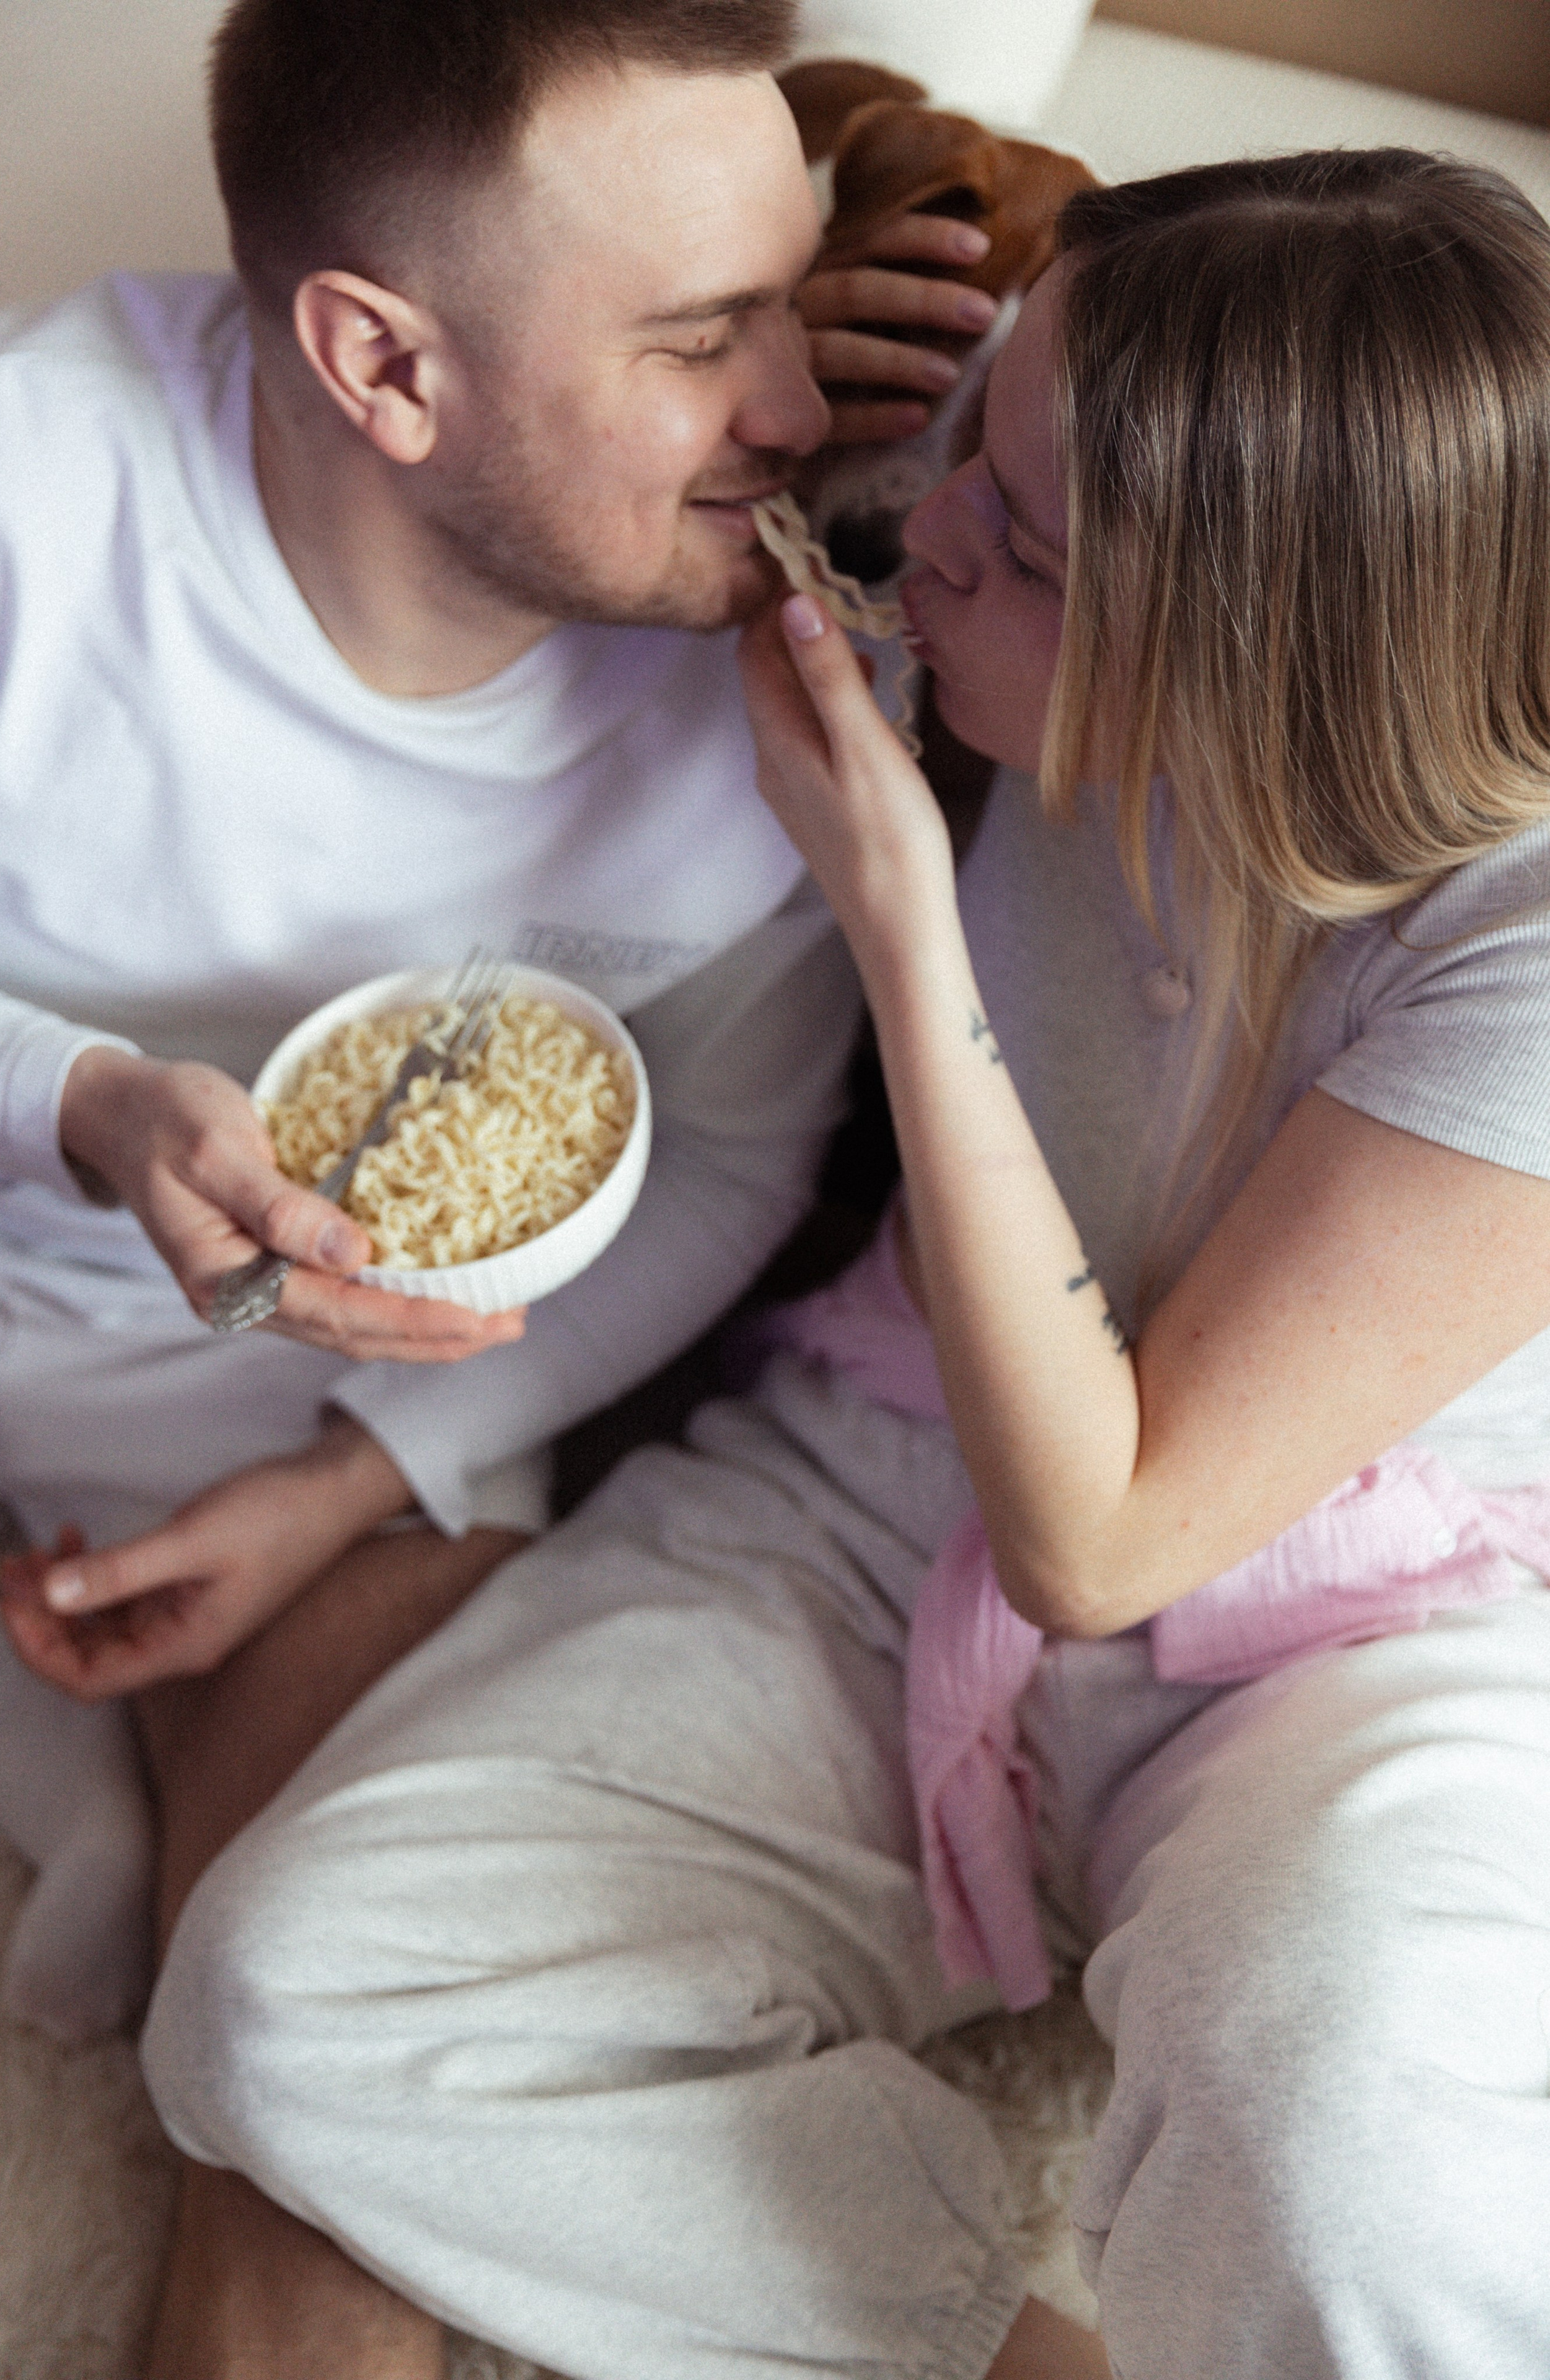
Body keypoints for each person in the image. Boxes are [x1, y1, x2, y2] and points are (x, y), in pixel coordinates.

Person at [143, 148, 1550, 2380]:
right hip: (873, 1480)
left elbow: (1105, 1534)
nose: (926, 529)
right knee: (287, 1995)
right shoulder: (1013, 457)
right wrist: (843, 292)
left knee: (1367, 2176)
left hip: (1372, 1617)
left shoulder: (1522, 948)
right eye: (975, 442)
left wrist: (906, 916)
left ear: (1235, 659)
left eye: (1022, 538)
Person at [0, 0, 1002, 2044]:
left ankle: (126, 1795)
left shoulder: (798, 680)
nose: (800, 405)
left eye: (796, 304)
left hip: (271, 1375)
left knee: (347, 1978)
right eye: (704, 340)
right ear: (385, 362)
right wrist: (78, 1102)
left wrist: (358, 1477)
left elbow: (719, 1159)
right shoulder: (11, 494)